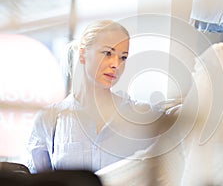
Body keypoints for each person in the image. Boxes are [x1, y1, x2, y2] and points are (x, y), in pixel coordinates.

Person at [26, 20, 172, 173]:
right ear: (82, 55)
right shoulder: (50, 120)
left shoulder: (141, 116)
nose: (116, 64)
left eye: (123, 57)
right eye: (108, 53)